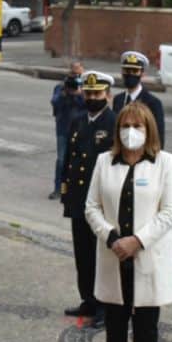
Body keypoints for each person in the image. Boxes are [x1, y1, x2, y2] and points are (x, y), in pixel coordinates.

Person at [85, 102, 172, 342]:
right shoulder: (104, 162)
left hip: (146, 257)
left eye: (137, 127)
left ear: (148, 130)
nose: (130, 133)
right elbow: (91, 207)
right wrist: (112, 237)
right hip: (114, 255)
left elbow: (169, 212)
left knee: (145, 328)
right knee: (114, 323)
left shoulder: (165, 163)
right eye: (125, 126)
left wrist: (137, 241)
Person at [60, 72, 115, 325]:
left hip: (101, 203)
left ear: (107, 95)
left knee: (100, 256)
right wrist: (65, 190)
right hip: (78, 199)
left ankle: (104, 306)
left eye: (97, 94)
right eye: (89, 93)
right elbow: (68, 159)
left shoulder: (113, 122)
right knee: (82, 253)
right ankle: (88, 300)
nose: (92, 98)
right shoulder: (78, 120)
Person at [112, 51, 165, 148]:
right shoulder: (118, 99)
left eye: (135, 71)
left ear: (142, 73)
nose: (130, 74)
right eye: (127, 71)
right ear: (122, 72)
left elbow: (158, 138)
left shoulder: (153, 103)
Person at [50, 61, 86, 200]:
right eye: (74, 73)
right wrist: (65, 93)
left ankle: (76, 189)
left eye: (79, 73)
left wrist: (79, 94)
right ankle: (58, 189)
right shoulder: (60, 87)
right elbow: (55, 103)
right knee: (61, 160)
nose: (76, 77)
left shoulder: (86, 88)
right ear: (69, 73)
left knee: (80, 159)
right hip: (64, 128)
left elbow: (89, 106)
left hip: (81, 129)